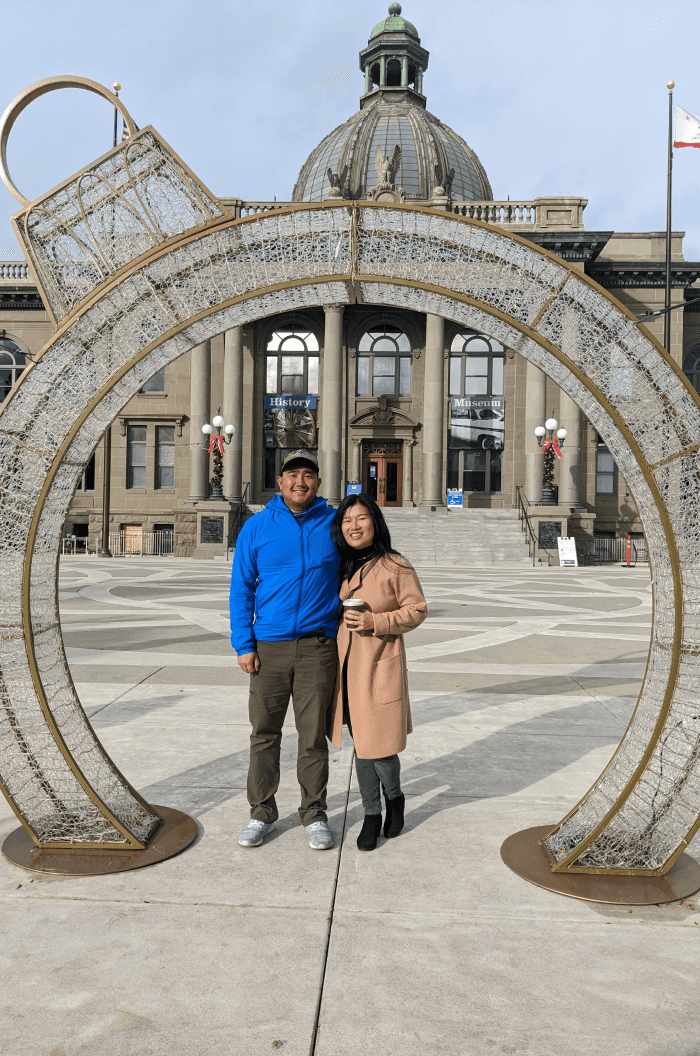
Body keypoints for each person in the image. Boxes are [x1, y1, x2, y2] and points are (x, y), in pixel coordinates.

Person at [230, 450, 340, 850]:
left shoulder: (334, 524)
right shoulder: (257, 527)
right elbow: (241, 588)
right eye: (292, 474)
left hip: (317, 647)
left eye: (308, 475)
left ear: (318, 483)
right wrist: (244, 644)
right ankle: (261, 812)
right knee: (264, 734)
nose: (300, 481)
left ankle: (314, 814)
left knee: (312, 737)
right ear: (279, 482)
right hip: (268, 647)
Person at [329, 494, 427, 851]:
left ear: (375, 523)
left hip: (379, 666)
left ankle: (395, 797)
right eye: (347, 520)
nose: (354, 526)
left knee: (381, 749)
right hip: (346, 670)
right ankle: (372, 814)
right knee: (362, 746)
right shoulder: (338, 565)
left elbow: (417, 610)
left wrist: (377, 621)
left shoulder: (395, 565)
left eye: (362, 519)